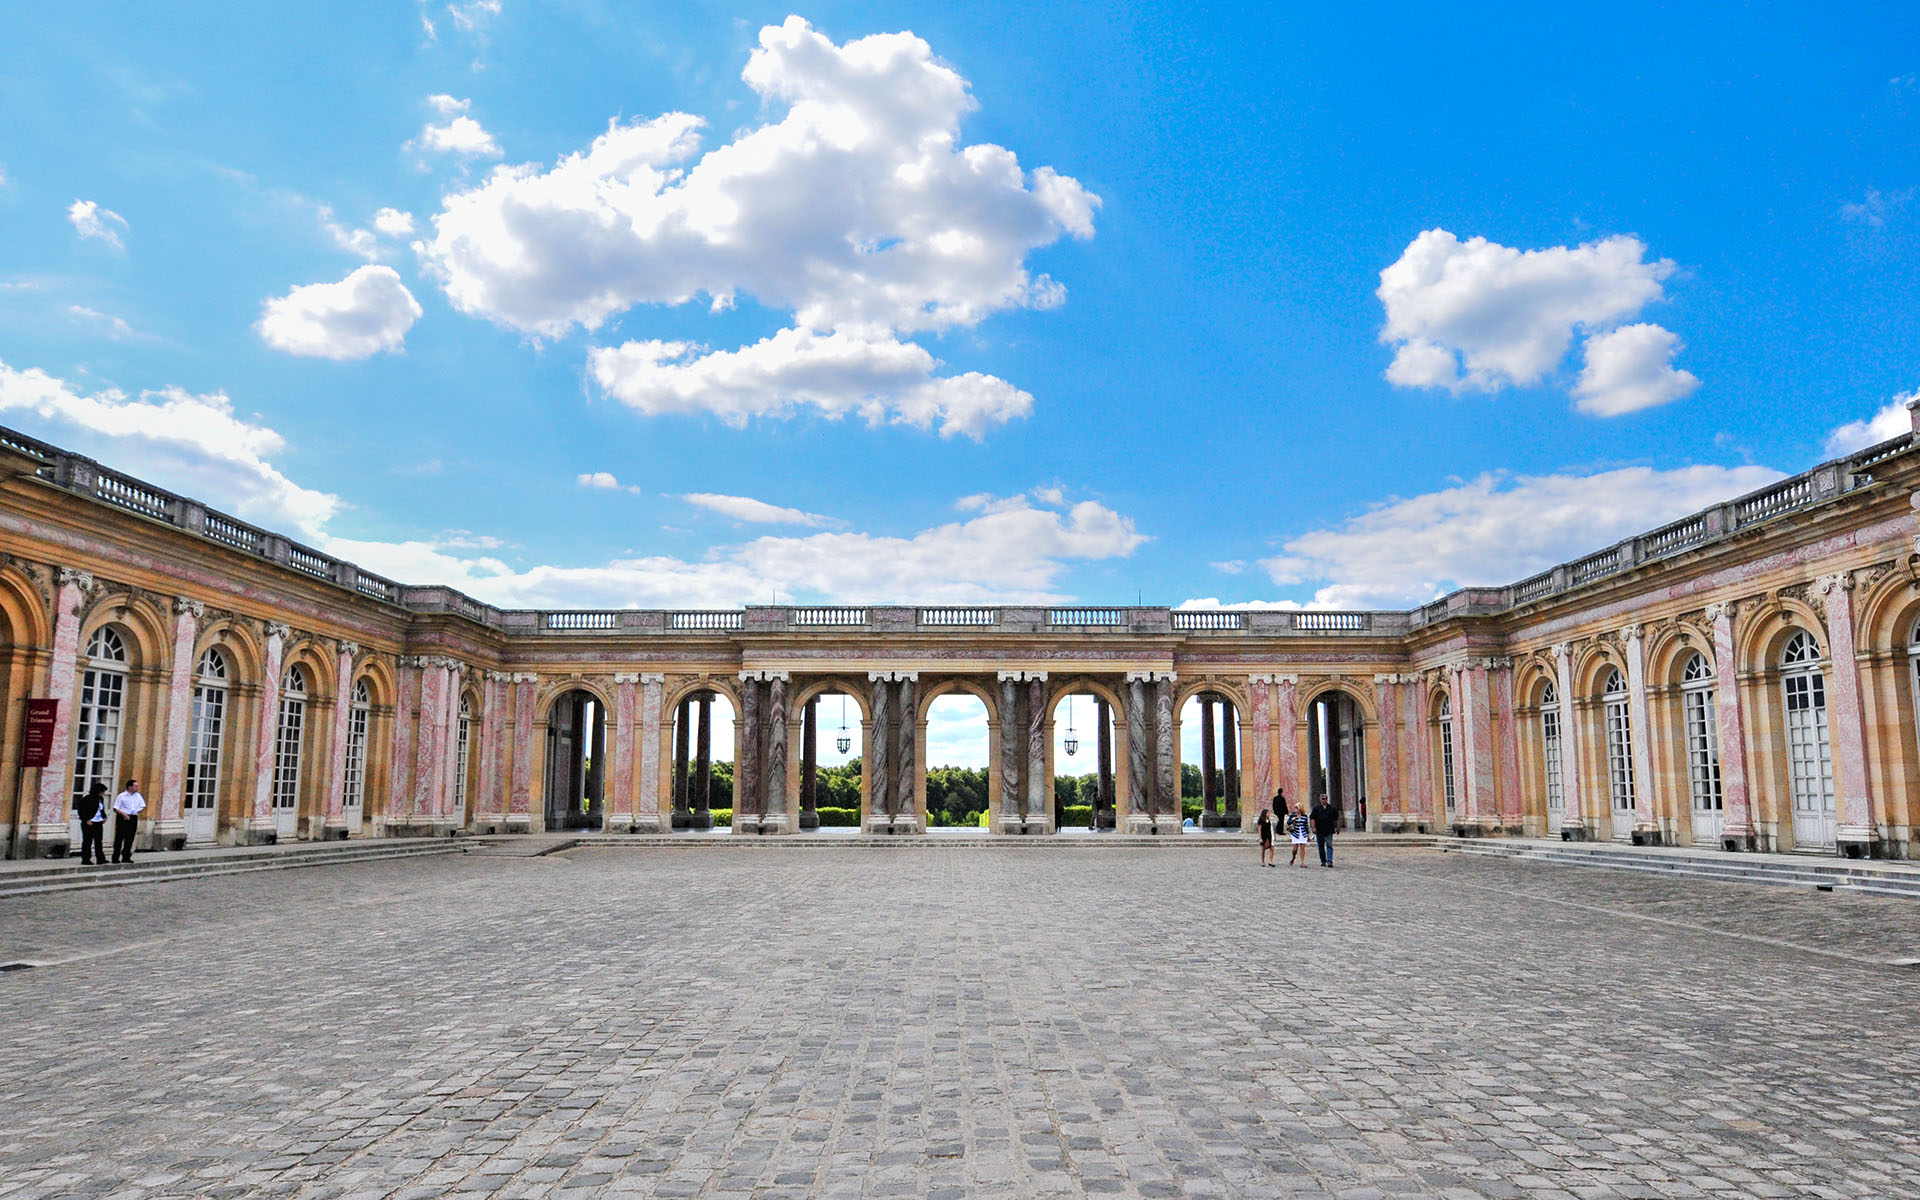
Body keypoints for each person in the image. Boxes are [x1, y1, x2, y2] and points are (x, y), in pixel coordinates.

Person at [111, 778, 146, 864]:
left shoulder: (138, 796)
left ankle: (126, 856)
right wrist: (124, 814)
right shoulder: (121, 796)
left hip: (133, 817)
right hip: (123, 817)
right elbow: (116, 808)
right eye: (135, 786)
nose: (137, 788)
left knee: (130, 838)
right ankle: (115, 857)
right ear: (130, 787)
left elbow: (142, 805)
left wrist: (138, 811)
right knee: (119, 838)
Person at [76, 782, 108, 865]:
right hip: (89, 822)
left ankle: (100, 858)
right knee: (87, 841)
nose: (103, 793)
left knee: (98, 841)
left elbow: (101, 809)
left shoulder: (100, 799)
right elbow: (81, 810)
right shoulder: (87, 799)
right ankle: (86, 859)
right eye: (103, 791)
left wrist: (104, 817)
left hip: (98, 822)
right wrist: (86, 819)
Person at [1309, 793, 1339, 868]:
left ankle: (1329, 860)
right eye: (1323, 799)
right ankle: (1323, 860)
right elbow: (1312, 818)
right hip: (1319, 830)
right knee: (1321, 846)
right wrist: (1313, 827)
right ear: (1320, 799)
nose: (1324, 800)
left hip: (1329, 830)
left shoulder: (1332, 808)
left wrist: (1338, 827)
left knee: (1329, 845)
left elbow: (1336, 818)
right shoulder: (1316, 809)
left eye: (1325, 798)